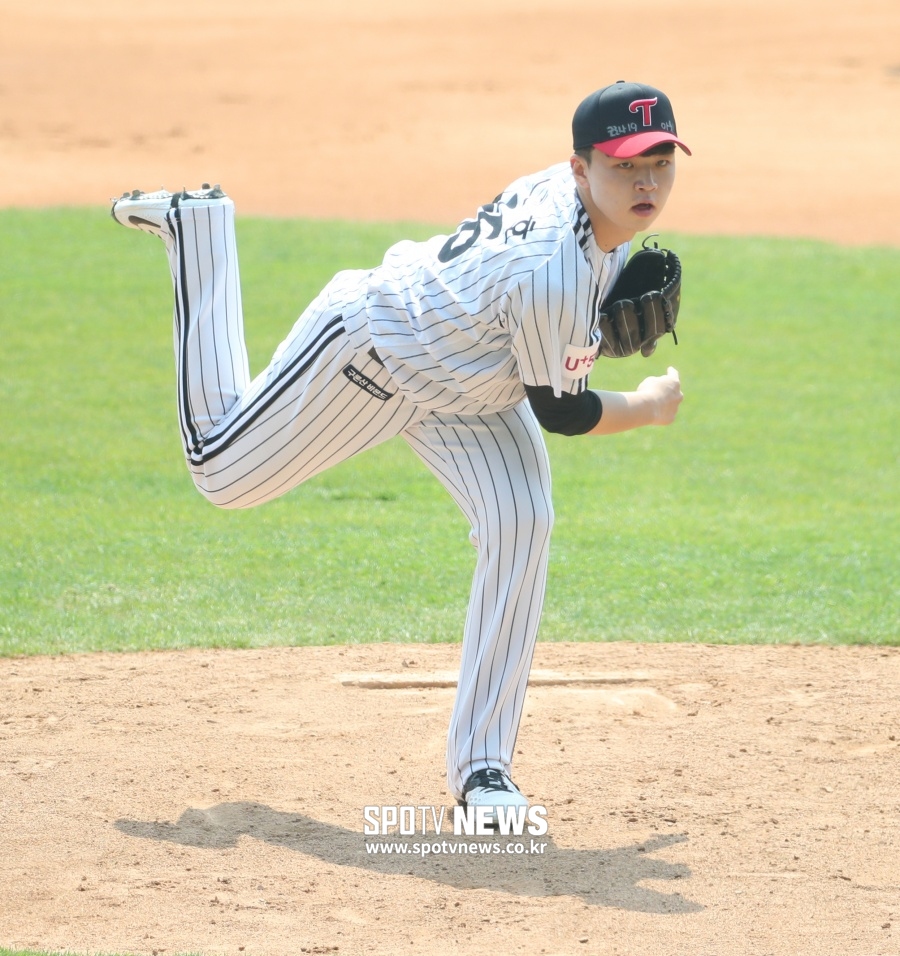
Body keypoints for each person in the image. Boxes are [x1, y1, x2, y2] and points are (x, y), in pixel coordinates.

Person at [111, 80, 688, 825]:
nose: (646, 182)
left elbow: (544, 344)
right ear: (579, 170)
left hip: (471, 389)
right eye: (624, 164)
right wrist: (645, 406)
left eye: (660, 160)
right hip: (374, 352)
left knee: (522, 521)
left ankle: (484, 769)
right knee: (220, 471)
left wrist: (584, 337)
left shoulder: (580, 215)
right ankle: (201, 233)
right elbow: (564, 414)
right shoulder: (553, 270)